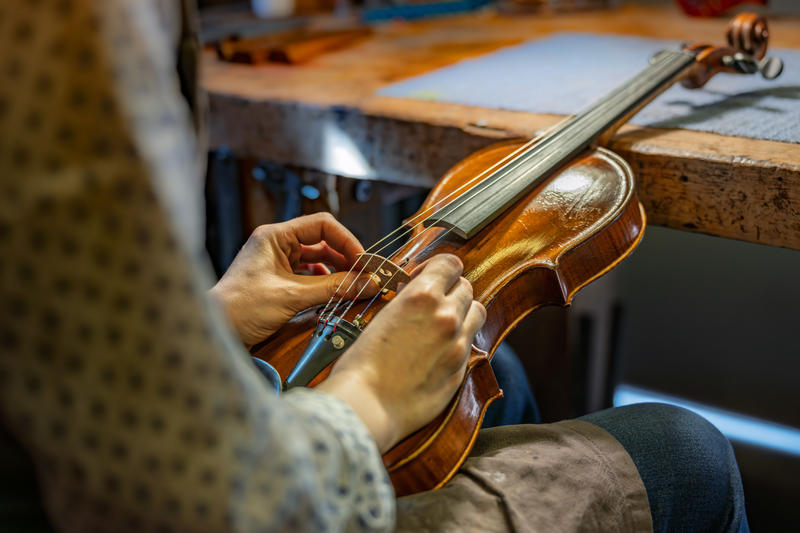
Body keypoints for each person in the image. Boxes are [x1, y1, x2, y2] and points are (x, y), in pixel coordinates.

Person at [0, 1, 748, 531]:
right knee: (689, 455)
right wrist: (371, 395)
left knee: (498, 376)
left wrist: (210, 311)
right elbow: (191, 504)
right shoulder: (72, 28)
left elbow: (45, 327)